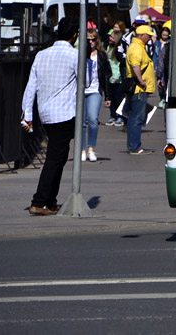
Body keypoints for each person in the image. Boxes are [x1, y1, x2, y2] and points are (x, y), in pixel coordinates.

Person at [20, 17, 80, 216]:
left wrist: (27, 114)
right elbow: (84, 83)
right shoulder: (74, 55)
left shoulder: (41, 55)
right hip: (65, 113)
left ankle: (50, 201)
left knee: (59, 157)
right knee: (55, 159)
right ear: (74, 35)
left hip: (45, 113)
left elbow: (31, 87)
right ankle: (38, 201)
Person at [81, 22, 111, 162]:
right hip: (80, 91)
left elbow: (106, 75)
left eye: (93, 39)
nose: (91, 42)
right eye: (88, 40)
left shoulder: (101, 55)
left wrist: (107, 96)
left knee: (93, 120)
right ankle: (82, 150)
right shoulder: (79, 54)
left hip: (94, 90)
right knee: (81, 122)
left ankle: (91, 148)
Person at [125, 24, 156, 155]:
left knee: (135, 117)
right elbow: (135, 65)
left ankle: (134, 146)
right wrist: (140, 80)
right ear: (142, 36)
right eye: (148, 36)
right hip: (139, 89)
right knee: (136, 118)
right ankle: (135, 147)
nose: (150, 38)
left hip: (140, 88)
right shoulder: (136, 48)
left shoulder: (139, 47)